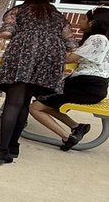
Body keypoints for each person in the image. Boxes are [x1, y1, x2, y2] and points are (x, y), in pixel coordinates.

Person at [0, 0, 77, 165]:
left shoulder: (19, 11)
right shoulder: (58, 16)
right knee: (25, 102)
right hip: (49, 57)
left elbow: (7, 32)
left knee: (13, 103)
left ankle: (2, 151)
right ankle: (14, 146)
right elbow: (72, 45)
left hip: (23, 53)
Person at [28, 8, 109, 151]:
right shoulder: (101, 38)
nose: (80, 21)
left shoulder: (98, 39)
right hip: (89, 85)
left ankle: (67, 137)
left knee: (35, 107)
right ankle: (77, 127)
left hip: (87, 86)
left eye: (84, 18)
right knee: (41, 94)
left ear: (93, 22)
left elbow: (70, 58)